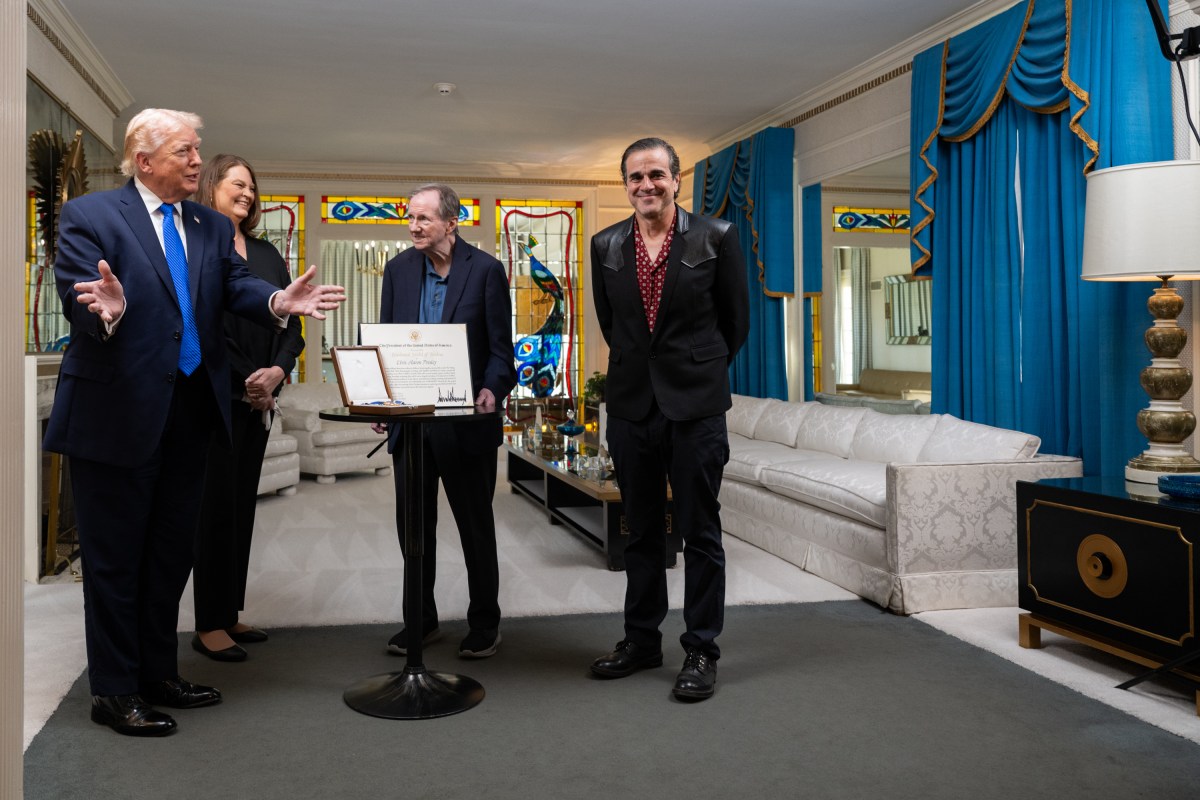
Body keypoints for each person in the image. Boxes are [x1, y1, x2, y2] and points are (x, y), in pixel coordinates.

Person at [44, 109, 344, 736]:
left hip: (191, 413)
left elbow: (235, 285)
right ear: (144, 159)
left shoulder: (208, 225)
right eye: (184, 150)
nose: (195, 160)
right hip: (115, 415)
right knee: (115, 561)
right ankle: (115, 690)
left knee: (170, 554)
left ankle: (158, 673)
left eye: (196, 148)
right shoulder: (91, 216)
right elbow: (82, 299)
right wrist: (111, 311)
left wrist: (275, 301)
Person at [588, 137, 749, 701]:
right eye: (635, 177)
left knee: (700, 532)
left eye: (656, 174)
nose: (646, 185)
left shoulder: (716, 237)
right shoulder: (604, 244)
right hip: (632, 407)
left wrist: (694, 370)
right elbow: (614, 328)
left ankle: (701, 648)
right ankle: (641, 640)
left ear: (676, 179)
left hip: (696, 408)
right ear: (625, 185)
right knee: (640, 531)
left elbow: (736, 324)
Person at [375, 183, 516, 659]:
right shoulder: (396, 271)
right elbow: (385, 346)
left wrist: (491, 390)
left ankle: (484, 624)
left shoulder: (487, 272)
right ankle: (421, 620)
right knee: (413, 529)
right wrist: (381, 400)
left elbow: (502, 352)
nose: (413, 226)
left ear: (452, 223)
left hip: (467, 426)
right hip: (410, 426)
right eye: (410, 217)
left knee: (475, 527)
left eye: (424, 219)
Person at [191, 154, 305, 662]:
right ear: (212, 186)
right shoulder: (194, 247)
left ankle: (229, 611)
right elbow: (201, 326)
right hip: (215, 400)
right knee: (212, 513)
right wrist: (247, 379)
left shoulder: (266, 254)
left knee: (241, 512)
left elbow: (291, 325)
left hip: (260, 400)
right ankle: (208, 623)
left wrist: (276, 372)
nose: (248, 194)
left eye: (253, 188)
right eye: (238, 184)